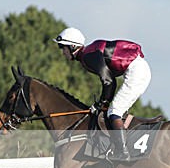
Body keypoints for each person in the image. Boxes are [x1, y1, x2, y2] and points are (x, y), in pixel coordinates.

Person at [53, 27, 151, 161]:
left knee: (114, 112)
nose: (62, 52)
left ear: (72, 46)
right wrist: (103, 103)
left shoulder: (88, 56)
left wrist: (102, 103)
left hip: (136, 71)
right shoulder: (88, 54)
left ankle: (122, 152)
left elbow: (108, 81)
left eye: (63, 47)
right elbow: (110, 81)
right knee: (113, 110)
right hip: (137, 69)